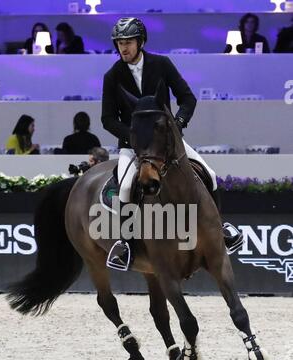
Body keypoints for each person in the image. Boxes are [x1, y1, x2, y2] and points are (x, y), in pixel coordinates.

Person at [102, 17, 243, 270]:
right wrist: (133, 134)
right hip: (133, 145)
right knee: (124, 188)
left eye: (129, 42)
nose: (124, 48)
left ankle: (220, 227)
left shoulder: (162, 64)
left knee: (208, 174)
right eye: (120, 43)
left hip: (166, 142)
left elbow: (187, 98)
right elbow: (107, 118)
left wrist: (177, 124)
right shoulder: (112, 76)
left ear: (140, 42)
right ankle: (125, 244)